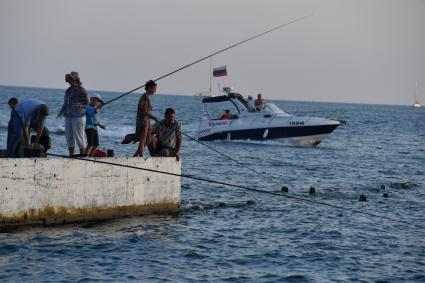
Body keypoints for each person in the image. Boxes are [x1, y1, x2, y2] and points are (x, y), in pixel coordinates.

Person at [62, 71, 89, 156]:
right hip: (68, 116)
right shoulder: (68, 91)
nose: (69, 81)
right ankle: (71, 155)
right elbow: (65, 102)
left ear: (76, 80)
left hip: (78, 116)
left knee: (79, 137)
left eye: (71, 79)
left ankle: (83, 155)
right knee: (69, 137)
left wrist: (78, 105)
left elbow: (87, 103)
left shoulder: (82, 90)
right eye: (69, 80)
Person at [133, 80, 157, 157]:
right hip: (142, 121)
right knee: (143, 140)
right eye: (154, 89)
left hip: (147, 121)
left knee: (148, 139)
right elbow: (144, 112)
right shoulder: (144, 98)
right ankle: (141, 156)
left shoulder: (147, 97)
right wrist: (154, 117)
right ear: (149, 88)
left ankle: (135, 155)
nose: (155, 91)